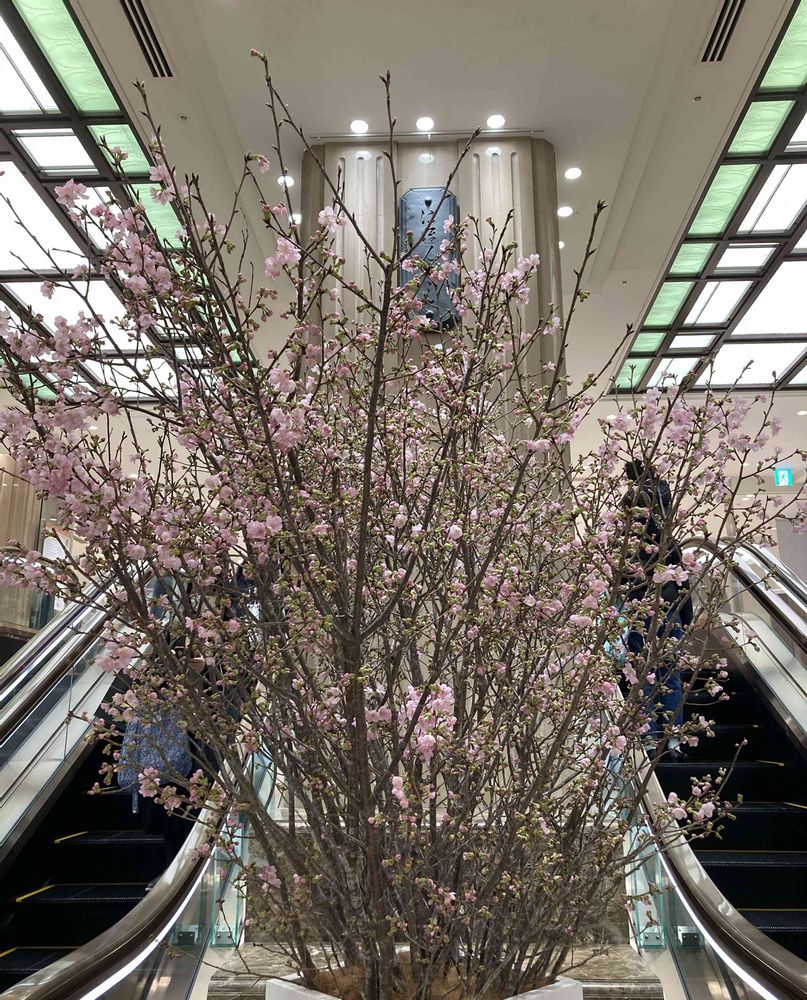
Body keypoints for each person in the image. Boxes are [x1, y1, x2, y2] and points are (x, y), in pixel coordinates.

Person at [622, 460, 690, 761]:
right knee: (669, 672)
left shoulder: (632, 533)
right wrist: (686, 614)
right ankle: (673, 739)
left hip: (640, 604)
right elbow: (681, 576)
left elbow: (623, 576)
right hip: (670, 604)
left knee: (643, 672)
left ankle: (648, 737)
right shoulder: (667, 534)